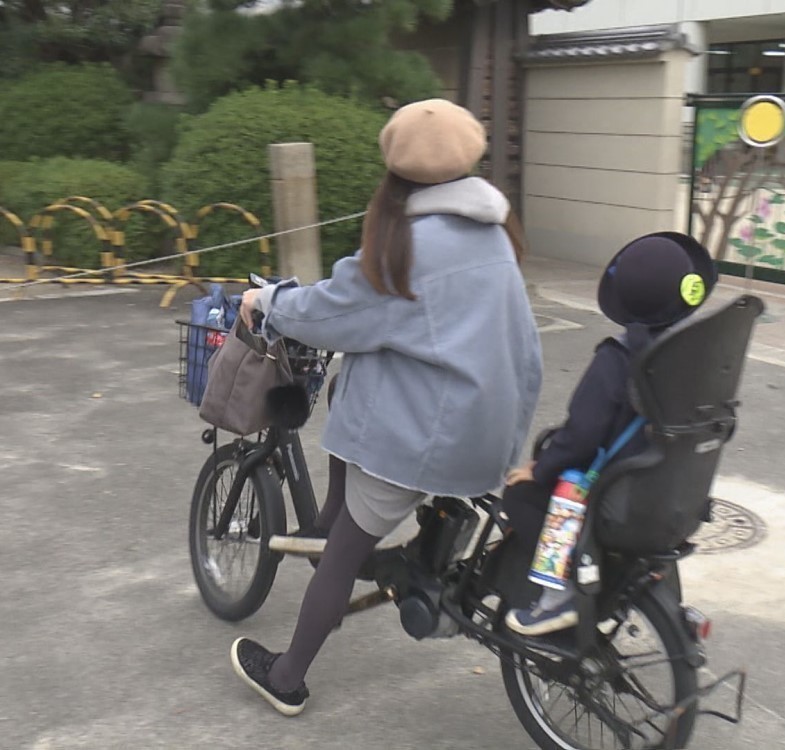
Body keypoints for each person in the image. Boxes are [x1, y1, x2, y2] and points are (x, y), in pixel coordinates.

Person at [230, 99, 543, 716]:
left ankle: (287, 676)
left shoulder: (407, 243)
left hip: (431, 437)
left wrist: (266, 299)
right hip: (494, 425)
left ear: (395, 171)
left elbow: (329, 313)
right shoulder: (495, 230)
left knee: (344, 551)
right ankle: (345, 530)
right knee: (361, 381)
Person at [502, 231, 716, 637]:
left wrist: (540, 468)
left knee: (523, 495)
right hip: (670, 493)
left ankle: (559, 594)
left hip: (615, 498)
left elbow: (582, 436)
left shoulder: (618, 360)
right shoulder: (693, 354)